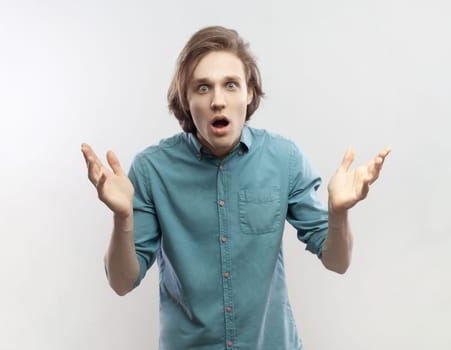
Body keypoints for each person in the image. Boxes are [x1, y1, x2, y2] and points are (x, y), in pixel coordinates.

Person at [81, 26, 390, 350]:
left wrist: (338, 213)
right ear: (186, 99)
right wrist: (122, 218)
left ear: (250, 93)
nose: (218, 101)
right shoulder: (151, 169)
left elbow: (337, 262)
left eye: (231, 85)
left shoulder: (284, 159)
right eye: (202, 88)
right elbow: (121, 282)